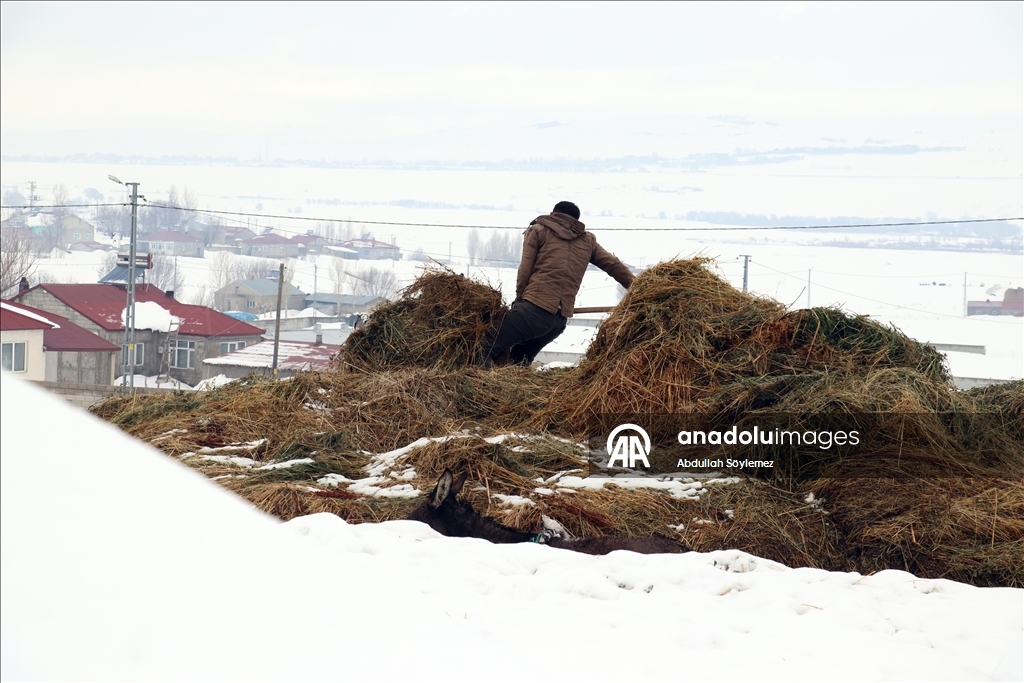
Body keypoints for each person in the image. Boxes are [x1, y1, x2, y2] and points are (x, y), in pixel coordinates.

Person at [482, 201, 634, 367]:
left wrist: (520, 302)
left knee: (482, 346)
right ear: (576, 221)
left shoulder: (539, 230)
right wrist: (639, 287)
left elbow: (525, 270)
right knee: (517, 362)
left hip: (533, 310)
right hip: (557, 322)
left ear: (552, 214)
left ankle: (479, 390)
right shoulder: (587, 241)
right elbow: (613, 265)